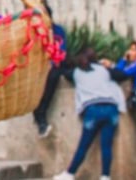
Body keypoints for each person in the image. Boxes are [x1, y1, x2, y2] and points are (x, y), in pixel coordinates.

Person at [53, 48, 126, 180]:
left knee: (84, 145)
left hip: (93, 110)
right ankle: (105, 176)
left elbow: (62, 73)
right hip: (111, 108)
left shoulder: (75, 73)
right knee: (106, 146)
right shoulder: (103, 70)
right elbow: (121, 75)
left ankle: (69, 174)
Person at [32, 6, 67, 137]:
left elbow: (62, 50)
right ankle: (39, 116)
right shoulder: (33, 31)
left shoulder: (58, 31)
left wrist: (52, 63)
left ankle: (40, 115)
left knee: (52, 77)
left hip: (53, 67)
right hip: (37, 67)